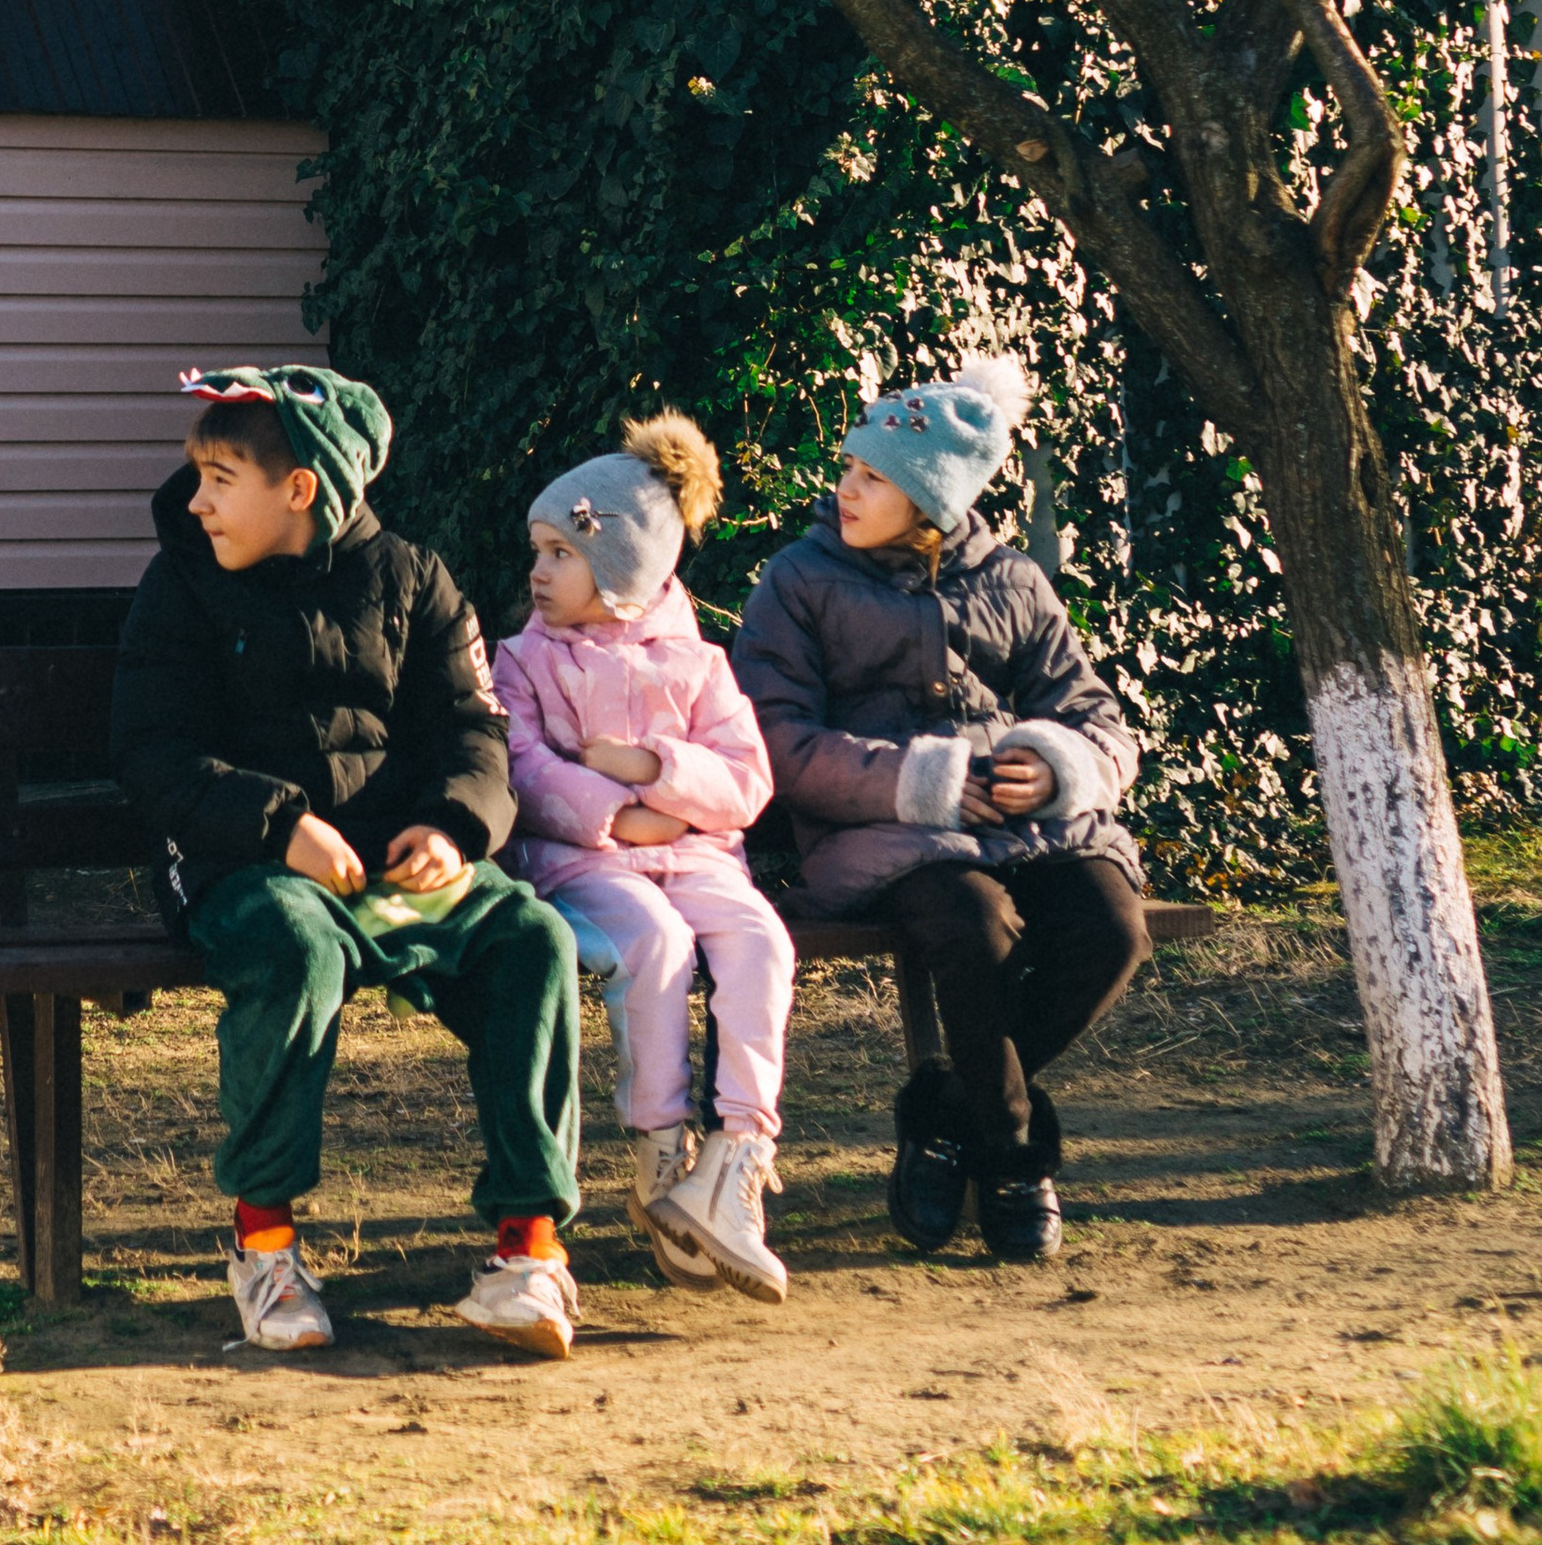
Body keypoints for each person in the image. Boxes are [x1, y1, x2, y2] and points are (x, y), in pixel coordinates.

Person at [112, 363, 587, 1361]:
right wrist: (277, 825)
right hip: (239, 864)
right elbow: (154, 753)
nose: (194, 499)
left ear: (301, 490)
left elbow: (473, 730)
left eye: (219, 477)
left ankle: (528, 1251)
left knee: (529, 938)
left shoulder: (414, 580)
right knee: (292, 944)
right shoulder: (182, 581)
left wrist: (453, 827)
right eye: (196, 474)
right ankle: (265, 1244)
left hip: (385, 877)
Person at [731, 352, 1148, 1264]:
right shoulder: (799, 582)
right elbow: (775, 739)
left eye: (873, 477)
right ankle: (1011, 1163)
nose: (845, 488)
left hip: (1031, 824)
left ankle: (944, 1121)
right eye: (849, 467)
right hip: (884, 836)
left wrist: (1055, 768)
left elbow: (1097, 716)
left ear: (933, 498)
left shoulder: (1013, 581)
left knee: (1114, 931)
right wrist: (920, 782)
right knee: (972, 925)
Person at [496, 413, 795, 1303]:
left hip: (702, 858)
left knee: (760, 944)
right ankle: (661, 1157)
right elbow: (521, 766)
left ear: (623, 569)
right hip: (583, 865)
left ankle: (737, 1159)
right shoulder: (522, 659)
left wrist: (653, 768)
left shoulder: (699, 664)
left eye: (560, 554)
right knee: (655, 946)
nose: (538, 572)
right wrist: (618, 816)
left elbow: (747, 781)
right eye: (538, 551)